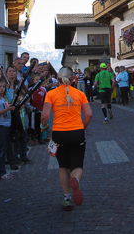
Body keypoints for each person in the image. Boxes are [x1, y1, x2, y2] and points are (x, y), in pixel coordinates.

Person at [41, 67, 92, 211]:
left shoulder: (51, 94)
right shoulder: (80, 93)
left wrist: (44, 128)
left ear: (57, 80)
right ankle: (75, 180)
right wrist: (83, 127)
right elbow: (89, 114)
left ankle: (67, 198)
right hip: (77, 132)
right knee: (77, 165)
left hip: (59, 133)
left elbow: (45, 116)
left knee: (63, 166)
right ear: (73, 79)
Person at [0, 78, 15, 180]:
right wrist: (6, 109)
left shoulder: (4, 98)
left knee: (3, 149)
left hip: (6, 125)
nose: (1, 89)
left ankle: (2, 170)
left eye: (3, 87)